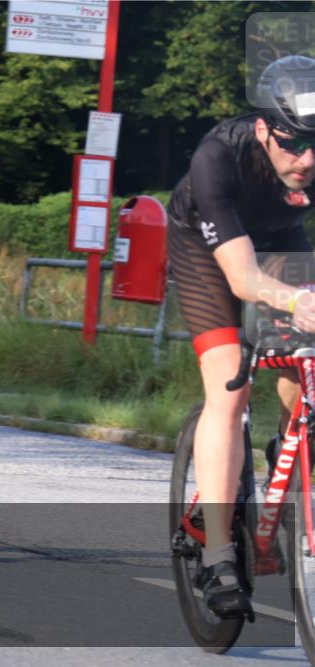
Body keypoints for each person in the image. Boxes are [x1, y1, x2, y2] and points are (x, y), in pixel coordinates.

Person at [167, 54, 315, 617]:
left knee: (307, 370)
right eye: (293, 145)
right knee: (227, 389)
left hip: (281, 239)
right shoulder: (217, 157)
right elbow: (243, 278)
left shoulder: (308, 156)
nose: (307, 161)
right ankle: (219, 555)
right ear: (263, 130)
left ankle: (292, 451)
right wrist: (297, 300)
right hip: (209, 251)